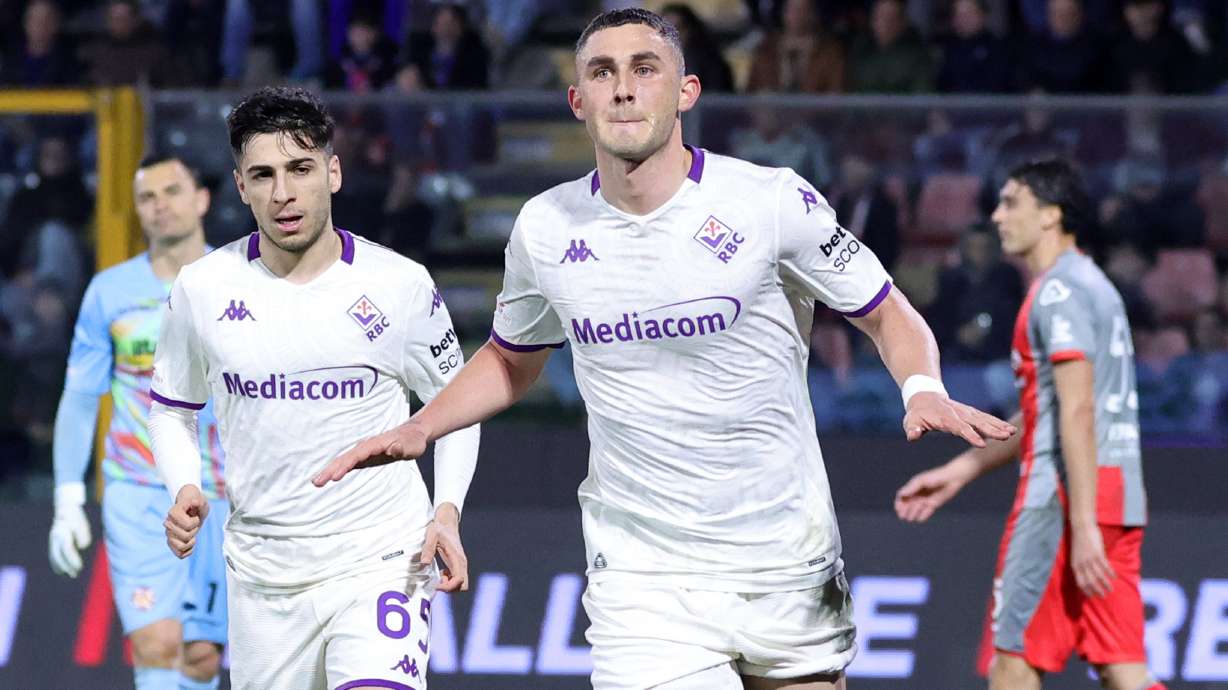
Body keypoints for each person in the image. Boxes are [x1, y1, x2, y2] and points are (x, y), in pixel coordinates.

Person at [316, 9, 1014, 690]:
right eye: (602, 72)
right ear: (576, 100)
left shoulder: (770, 203)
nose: (623, 87)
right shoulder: (546, 228)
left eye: (644, 69)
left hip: (782, 555)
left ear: (686, 91)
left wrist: (921, 388)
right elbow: (509, 359)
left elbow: (887, 311)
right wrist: (421, 424)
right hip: (641, 574)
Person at [150, 86, 479, 690]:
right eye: (263, 175)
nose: (283, 193)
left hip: (382, 559)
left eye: (300, 169)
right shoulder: (202, 289)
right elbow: (173, 408)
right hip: (263, 579)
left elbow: (457, 406)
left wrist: (447, 511)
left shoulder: (398, 285)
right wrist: (185, 486)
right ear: (240, 186)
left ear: (333, 171)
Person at [895, 159, 1165, 690]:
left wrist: (1080, 523)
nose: (997, 217)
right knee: (1123, 669)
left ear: (1051, 215)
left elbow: (1077, 411)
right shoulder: (1095, 286)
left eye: (1011, 202)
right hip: (1115, 491)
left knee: (1012, 662)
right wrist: (962, 470)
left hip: (1060, 499)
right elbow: (1052, 410)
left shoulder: (1058, 293)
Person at [48, 155, 228, 690]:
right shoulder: (109, 292)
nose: (159, 206)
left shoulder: (241, 282)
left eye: (172, 191)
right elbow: (80, 399)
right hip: (137, 490)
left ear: (201, 199)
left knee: (200, 656)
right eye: (147, 198)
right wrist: (66, 500)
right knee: (156, 644)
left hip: (221, 491)